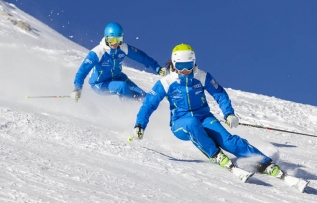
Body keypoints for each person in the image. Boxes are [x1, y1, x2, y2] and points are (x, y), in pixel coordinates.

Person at [133, 43, 284, 180]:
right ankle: (215, 154)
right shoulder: (166, 82)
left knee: (228, 141)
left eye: (188, 65)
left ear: (194, 62)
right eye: (180, 66)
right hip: (180, 122)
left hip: (204, 117)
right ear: (173, 64)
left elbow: (219, 94)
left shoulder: (202, 76)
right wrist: (140, 124)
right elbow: (148, 104)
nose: (185, 70)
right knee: (192, 124)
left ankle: (264, 163)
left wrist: (229, 113)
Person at [71, 22, 167, 101]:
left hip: (118, 77)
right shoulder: (98, 52)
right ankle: (129, 113)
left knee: (144, 97)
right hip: (100, 84)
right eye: (112, 40)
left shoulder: (123, 48)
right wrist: (77, 88)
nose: (115, 44)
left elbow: (142, 57)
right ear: (106, 38)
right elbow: (83, 70)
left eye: (119, 40)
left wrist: (157, 68)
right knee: (122, 87)